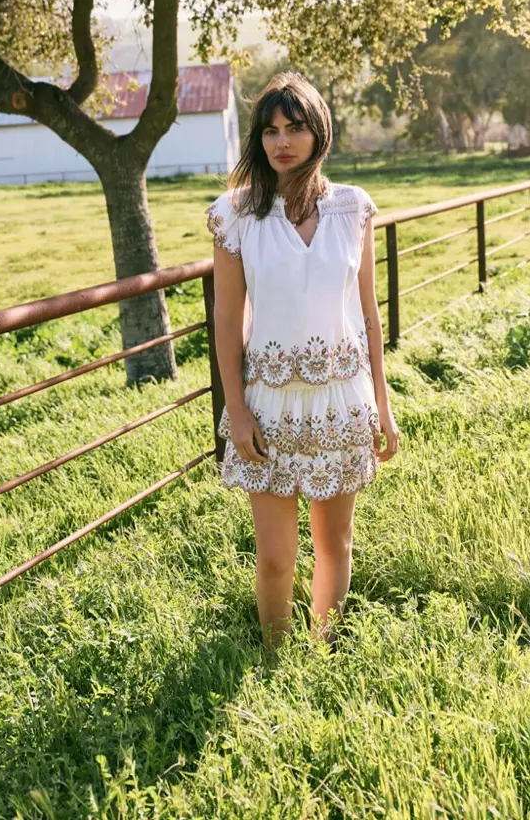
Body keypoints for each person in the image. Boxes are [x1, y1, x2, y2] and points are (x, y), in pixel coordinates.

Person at [204, 71, 400, 649]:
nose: (281, 141)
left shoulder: (352, 210)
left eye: (294, 128)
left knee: (335, 544)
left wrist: (383, 410)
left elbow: (368, 315)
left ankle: (323, 656)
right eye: (269, 130)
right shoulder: (235, 215)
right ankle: (273, 659)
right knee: (272, 558)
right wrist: (236, 410)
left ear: (319, 131)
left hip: (342, 400)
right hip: (268, 406)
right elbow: (226, 320)